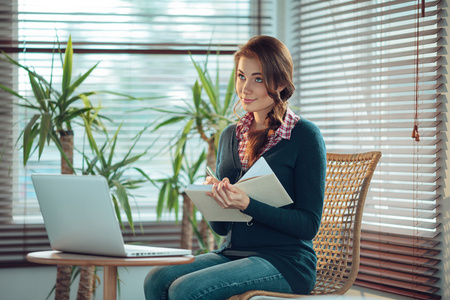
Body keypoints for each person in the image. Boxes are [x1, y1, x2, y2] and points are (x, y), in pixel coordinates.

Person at [144, 35, 326, 300]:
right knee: (157, 279)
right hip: (232, 253)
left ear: (281, 82)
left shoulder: (304, 136)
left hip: (287, 262)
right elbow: (221, 228)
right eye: (242, 76)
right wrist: (214, 199)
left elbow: (308, 225)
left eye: (258, 79)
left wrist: (247, 203)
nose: (245, 89)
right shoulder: (231, 135)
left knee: (186, 290)